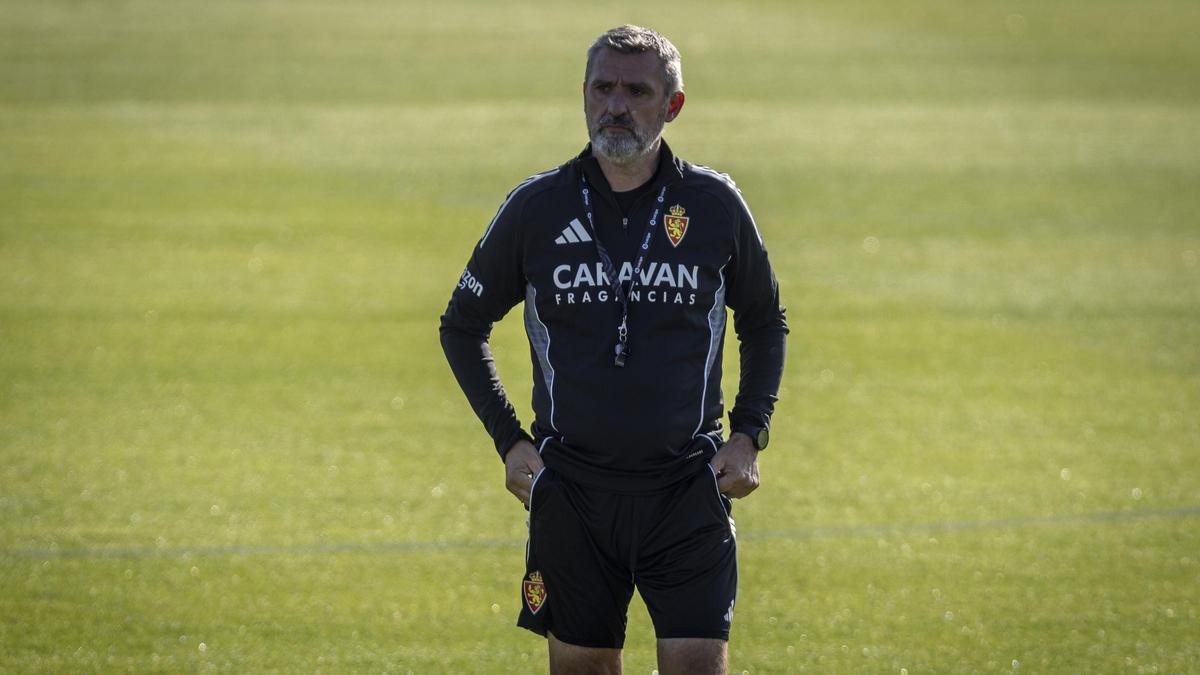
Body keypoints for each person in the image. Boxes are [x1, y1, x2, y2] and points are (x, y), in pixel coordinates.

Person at [439, 25, 787, 675]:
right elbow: (462, 325)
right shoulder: (537, 208)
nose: (616, 106)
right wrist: (509, 441)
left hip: (687, 489)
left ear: (672, 106)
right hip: (572, 494)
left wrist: (749, 434)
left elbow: (765, 321)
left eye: (636, 91)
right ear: (583, 95)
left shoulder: (713, 204)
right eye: (603, 89)